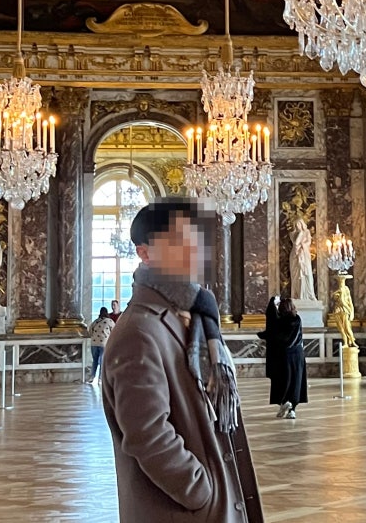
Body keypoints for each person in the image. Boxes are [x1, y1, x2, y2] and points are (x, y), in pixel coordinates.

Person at [102, 198, 263, 523]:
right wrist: (202, 493)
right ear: (145, 253)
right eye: (179, 240)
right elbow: (148, 435)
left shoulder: (197, 315)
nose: (194, 250)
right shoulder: (139, 331)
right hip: (184, 511)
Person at [258, 297, 307, 419]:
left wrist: (272, 301)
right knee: (296, 382)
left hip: (283, 356)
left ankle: (284, 402)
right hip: (297, 355)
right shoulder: (297, 319)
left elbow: (271, 326)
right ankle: (292, 410)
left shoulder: (278, 321)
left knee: (282, 381)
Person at [289, 219, 316, 301]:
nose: (297, 226)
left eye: (299, 224)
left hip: (304, 254)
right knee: (296, 276)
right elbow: (296, 243)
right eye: (296, 224)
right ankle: (297, 294)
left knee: (307, 274)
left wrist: (302, 245)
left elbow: (308, 242)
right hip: (295, 256)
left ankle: (309, 295)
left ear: (302, 224)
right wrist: (300, 233)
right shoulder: (292, 234)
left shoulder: (307, 232)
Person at [88, 307, 115, 384]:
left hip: (94, 343)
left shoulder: (96, 321)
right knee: (102, 362)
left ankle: (92, 377)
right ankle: (100, 378)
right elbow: (115, 331)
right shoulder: (109, 321)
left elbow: (90, 331)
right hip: (104, 343)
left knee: (95, 361)